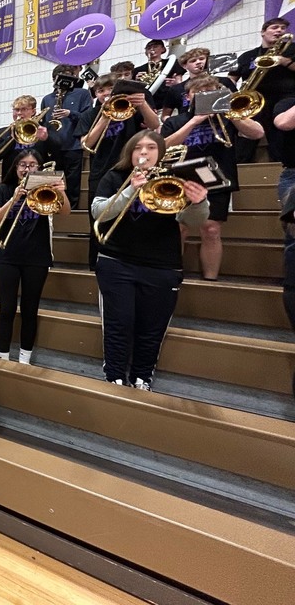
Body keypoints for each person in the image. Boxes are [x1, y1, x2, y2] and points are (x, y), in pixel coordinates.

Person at [91, 131, 209, 389]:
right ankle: (115, 376)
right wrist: (129, 190)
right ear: (129, 152)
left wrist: (199, 203)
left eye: (151, 147)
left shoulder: (175, 179)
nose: (144, 153)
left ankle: (142, 377)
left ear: (162, 152)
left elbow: (192, 222)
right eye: (138, 148)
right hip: (116, 261)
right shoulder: (114, 177)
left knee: (152, 329)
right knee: (118, 324)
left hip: (162, 266)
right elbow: (99, 212)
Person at [161, 77, 264, 280]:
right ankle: (171, 274)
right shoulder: (176, 120)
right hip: (182, 178)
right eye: (199, 92)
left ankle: (210, 279)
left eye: (210, 91)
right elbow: (164, 146)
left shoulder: (228, 116)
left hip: (217, 178)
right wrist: (194, 121)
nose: (206, 95)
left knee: (211, 229)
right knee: (179, 228)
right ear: (188, 96)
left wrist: (231, 114)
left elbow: (257, 133)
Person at [0, 150, 69, 364]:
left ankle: (25, 357)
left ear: (39, 169)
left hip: (37, 257)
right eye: (22, 164)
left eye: (33, 165)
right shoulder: (4, 189)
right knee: (6, 308)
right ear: (15, 168)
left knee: (30, 309)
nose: (27, 169)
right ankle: (3, 357)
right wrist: (13, 199)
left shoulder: (45, 190)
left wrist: (62, 192)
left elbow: (65, 213)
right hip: (8, 256)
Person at [77, 76, 161, 269]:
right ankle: (97, 264)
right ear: (96, 95)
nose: (105, 94)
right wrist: (105, 117)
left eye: (109, 90)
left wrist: (143, 104)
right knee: (99, 218)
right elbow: (86, 144)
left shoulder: (132, 109)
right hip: (102, 171)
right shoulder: (91, 114)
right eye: (100, 91)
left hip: (133, 170)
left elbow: (154, 124)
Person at [231, 17, 295, 163]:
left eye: (283, 28)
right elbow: (231, 79)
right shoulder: (247, 56)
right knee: (244, 133)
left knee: (280, 136)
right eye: (274, 27)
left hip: (286, 98)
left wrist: (284, 61)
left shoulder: (292, 49)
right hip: (255, 100)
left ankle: (283, 164)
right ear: (263, 32)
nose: (279, 30)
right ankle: (240, 165)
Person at [40, 64, 91, 209]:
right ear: (54, 79)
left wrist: (70, 114)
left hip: (73, 144)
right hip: (53, 146)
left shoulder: (82, 94)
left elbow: (88, 117)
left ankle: (71, 210)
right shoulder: (47, 99)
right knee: (53, 180)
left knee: (73, 181)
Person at [0, 95, 49, 184]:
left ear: (33, 111)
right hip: (10, 179)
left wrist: (47, 138)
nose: (19, 113)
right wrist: (11, 137)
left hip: (37, 178)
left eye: (24, 109)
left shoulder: (43, 129)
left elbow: (57, 150)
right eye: (16, 110)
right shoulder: (3, 131)